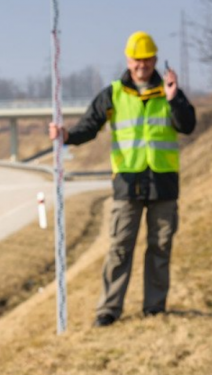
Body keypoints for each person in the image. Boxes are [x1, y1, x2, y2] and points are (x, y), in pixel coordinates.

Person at [49, 30, 195, 327]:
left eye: (146, 59)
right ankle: (108, 310)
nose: (141, 65)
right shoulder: (113, 93)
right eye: (136, 60)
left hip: (163, 183)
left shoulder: (170, 92)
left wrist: (174, 98)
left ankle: (154, 307)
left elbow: (187, 126)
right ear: (128, 61)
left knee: (160, 247)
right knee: (119, 248)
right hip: (127, 184)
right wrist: (65, 136)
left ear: (155, 59)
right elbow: (90, 127)